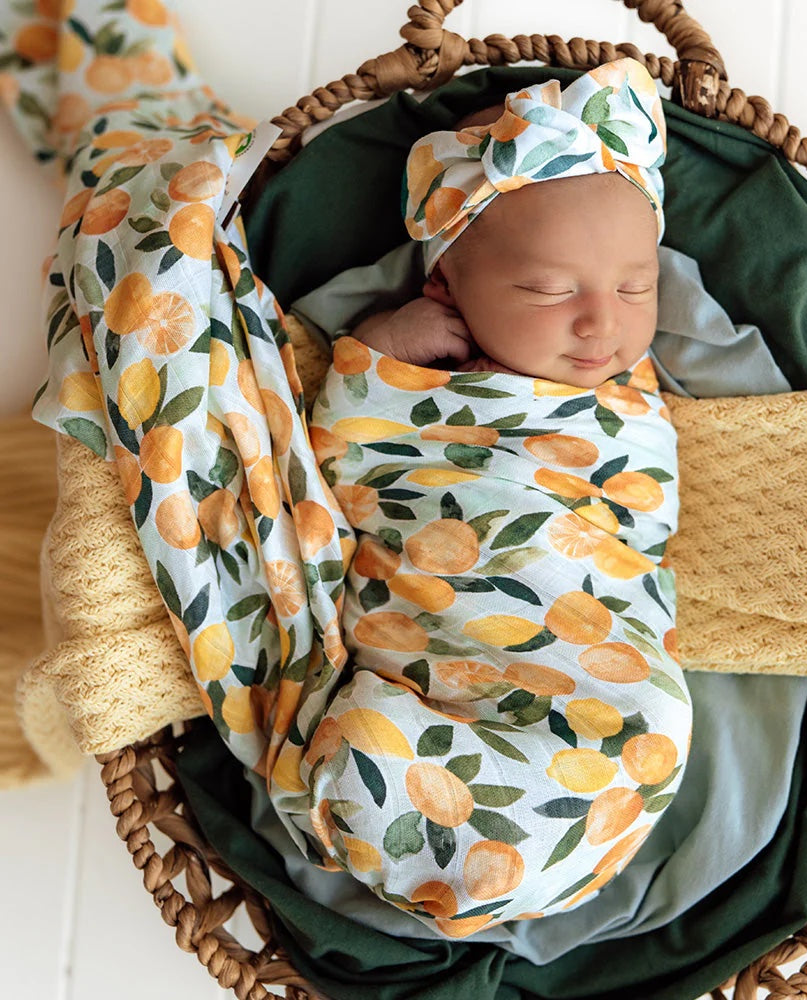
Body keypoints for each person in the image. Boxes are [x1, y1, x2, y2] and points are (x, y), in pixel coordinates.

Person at [303, 56, 692, 939]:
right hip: (440, 618)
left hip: (582, 620)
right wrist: (376, 351)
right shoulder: (405, 369)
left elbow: (639, 516)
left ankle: (493, 837)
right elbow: (339, 461)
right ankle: (409, 799)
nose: (603, 322)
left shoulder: (630, 399)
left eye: (636, 287)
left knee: (653, 720)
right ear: (446, 285)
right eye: (551, 291)